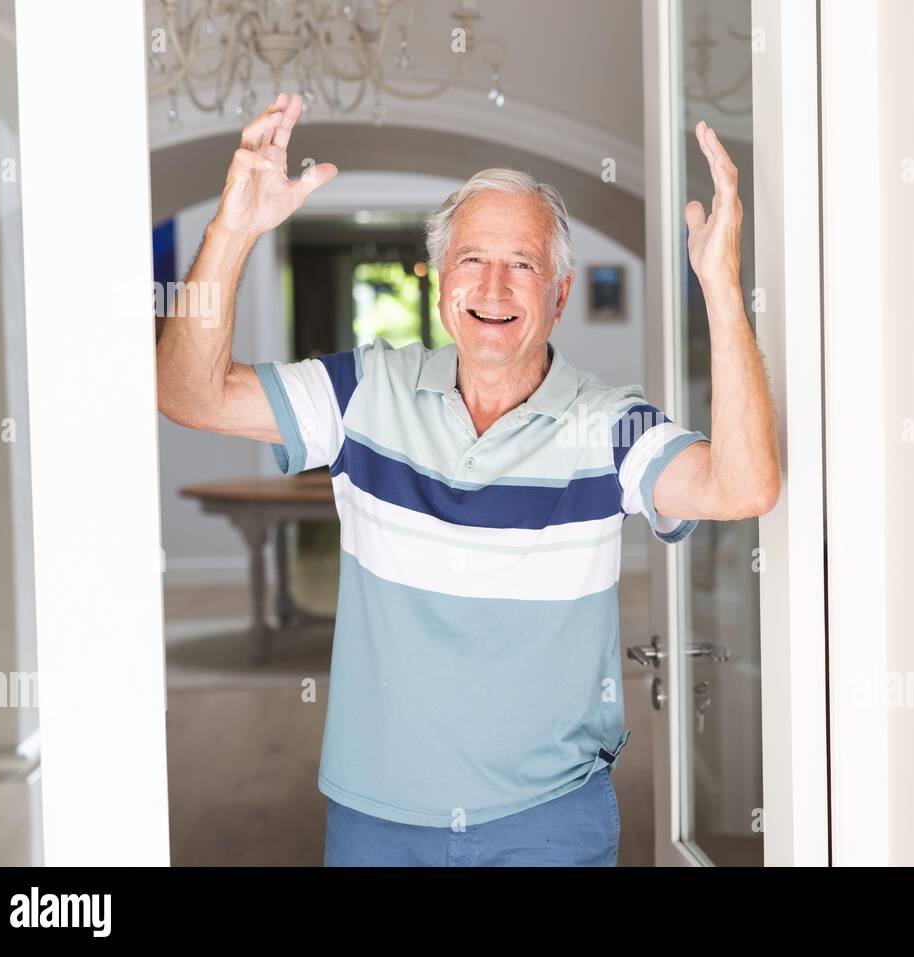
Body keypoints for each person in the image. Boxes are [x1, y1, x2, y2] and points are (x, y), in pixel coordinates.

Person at [156, 93, 780, 866]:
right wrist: (232, 231)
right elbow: (188, 392)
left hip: (549, 822)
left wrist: (720, 288)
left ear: (558, 296)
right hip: (377, 819)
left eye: (522, 263)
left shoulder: (609, 424)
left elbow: (742, 487)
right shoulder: (362, 392)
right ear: (440, 281)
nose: (493, 287)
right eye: (472, 259)